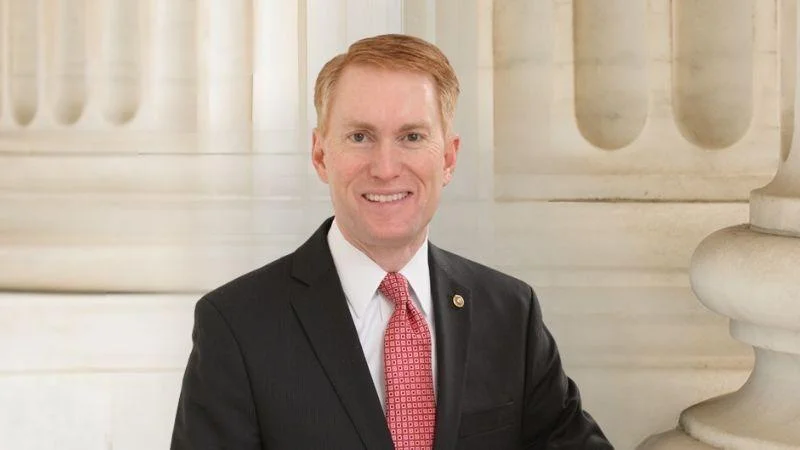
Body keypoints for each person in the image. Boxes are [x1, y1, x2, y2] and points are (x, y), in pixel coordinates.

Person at [171, 33, 613, 449]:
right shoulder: (236, 325)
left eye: (412, 137)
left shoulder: (510, 314)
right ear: (321, 155)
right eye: (360, 137)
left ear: (449, 157)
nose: (385, 168)